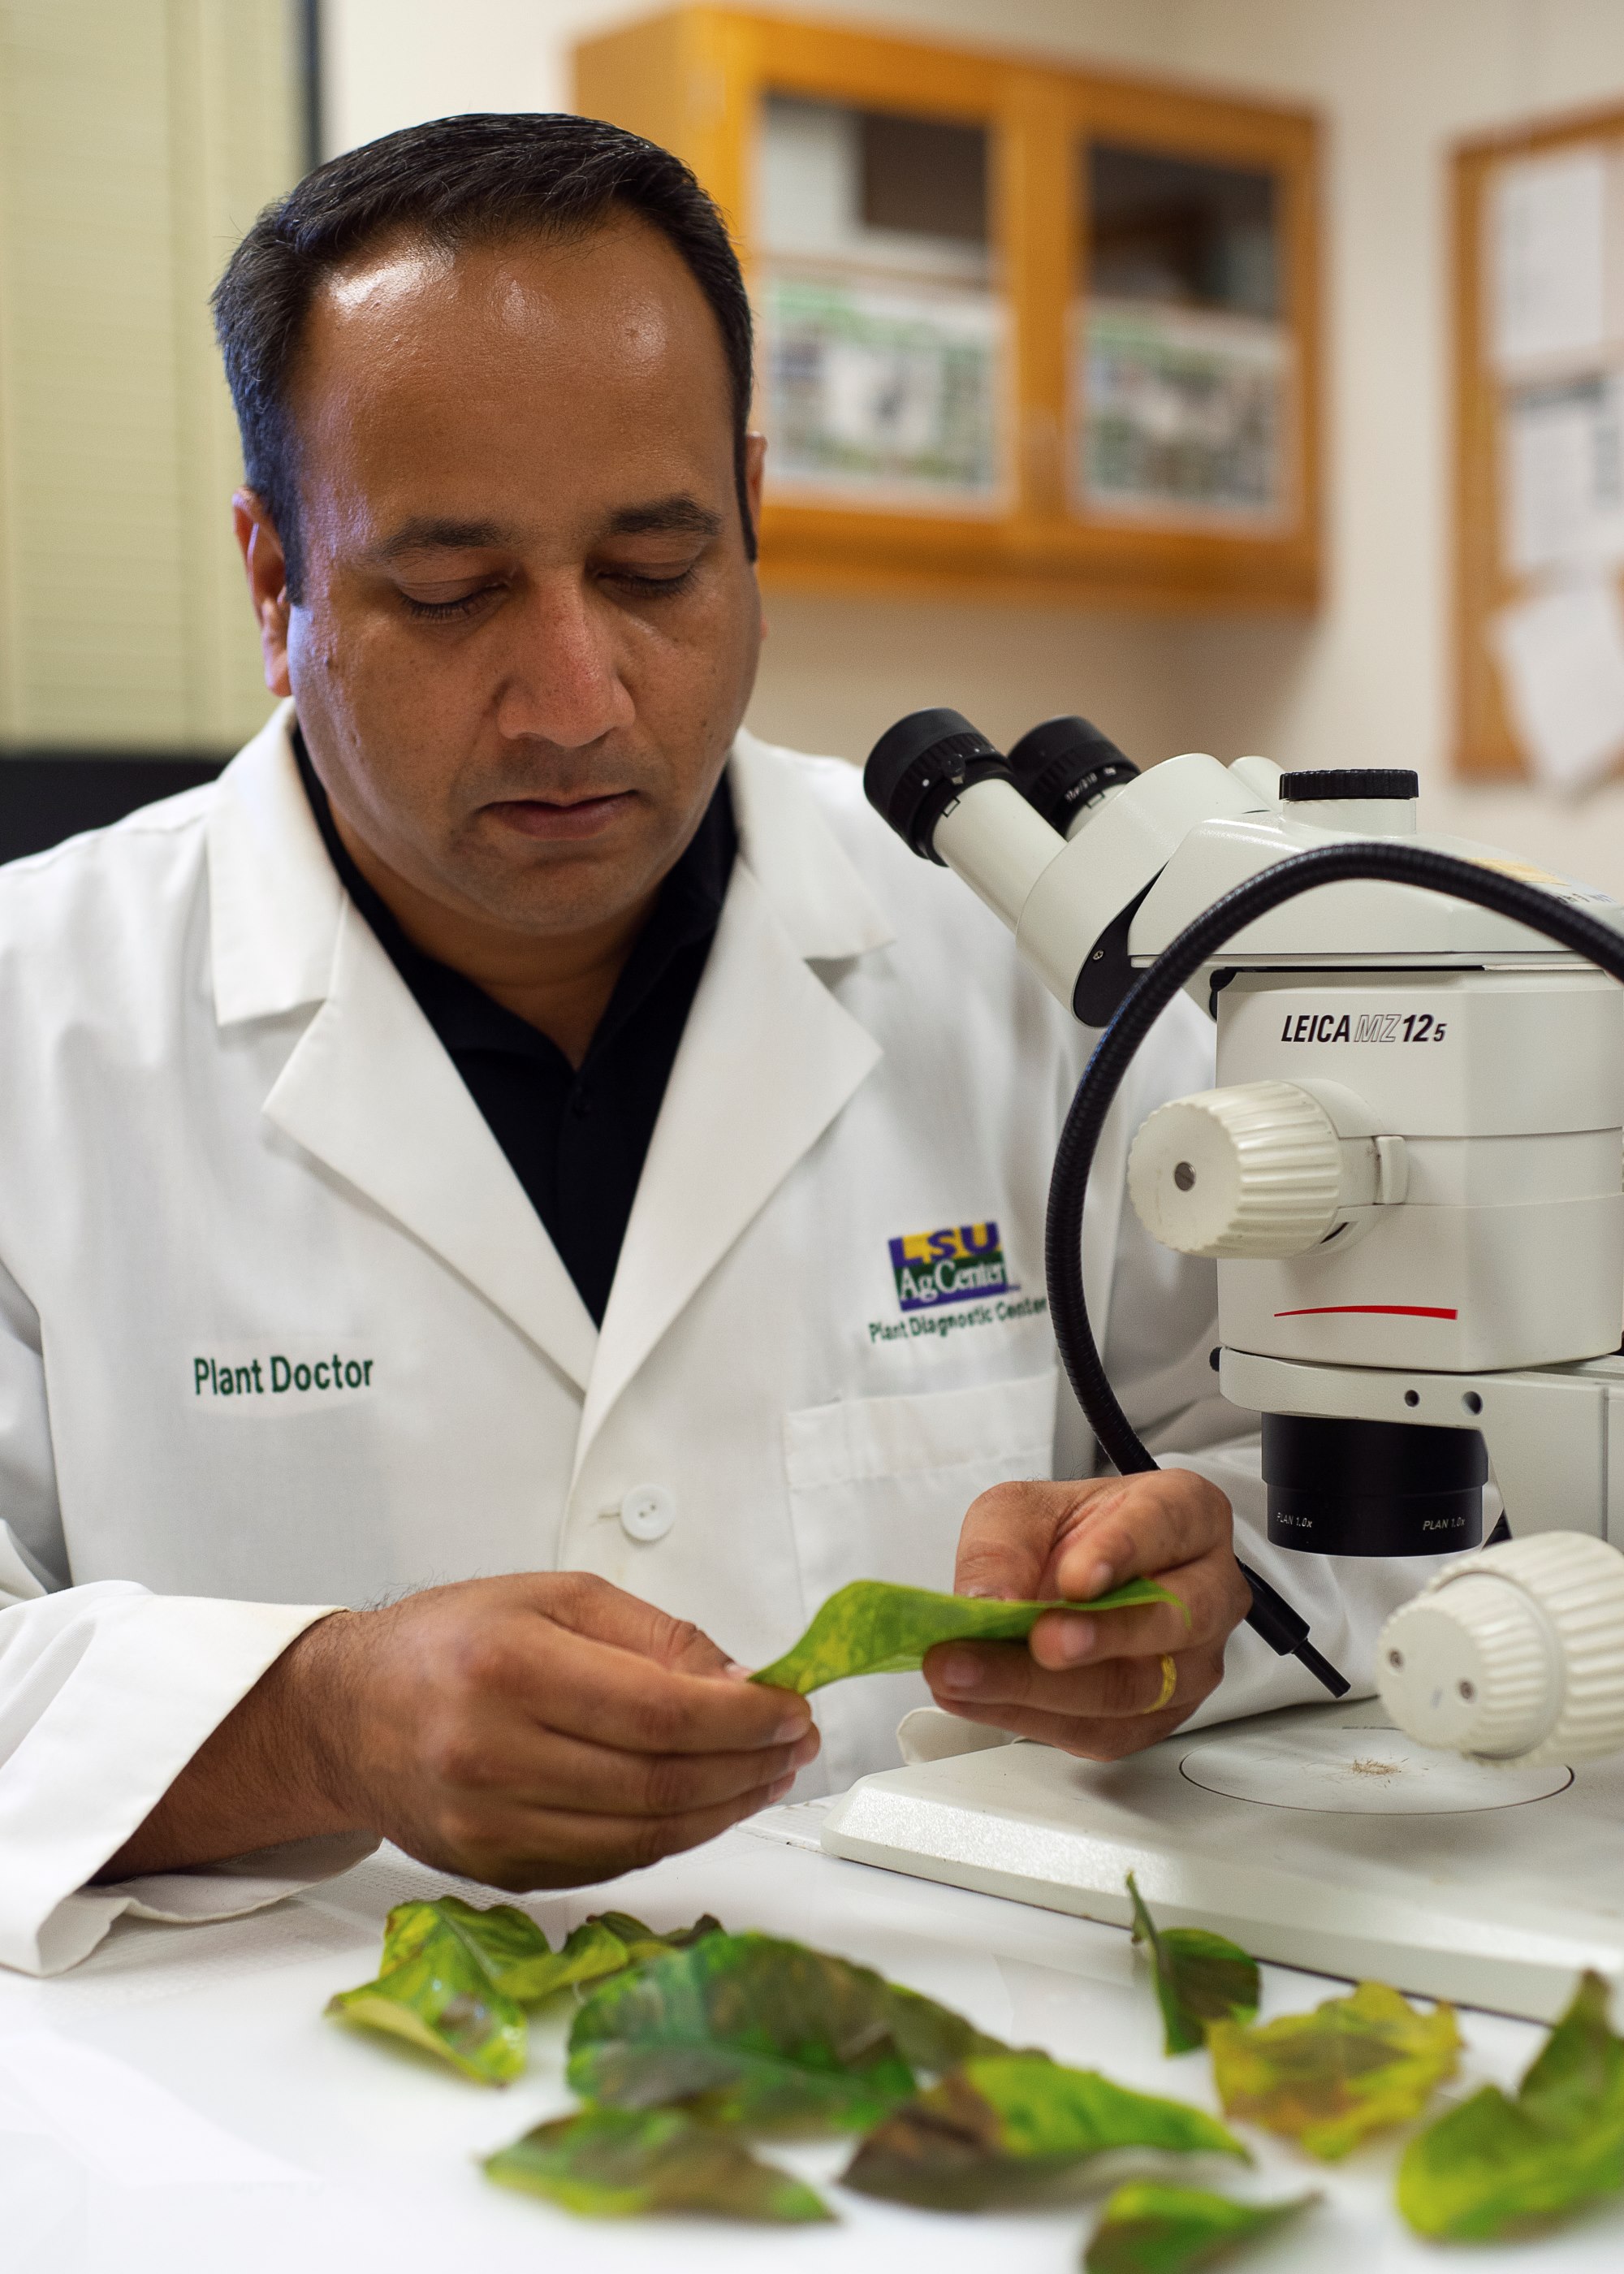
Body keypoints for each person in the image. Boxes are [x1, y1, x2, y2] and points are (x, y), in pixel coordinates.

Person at [0, 115, 1421, 1978]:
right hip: (259, 2149)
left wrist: (1194, 1590)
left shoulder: (1015, 947)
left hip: (922, 2084)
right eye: (449, 592)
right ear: (276, 581)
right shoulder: (41, 1012)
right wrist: (316, 1713)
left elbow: (1343, 1486)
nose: (575, 697)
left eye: (656, 567)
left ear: (749, 511)